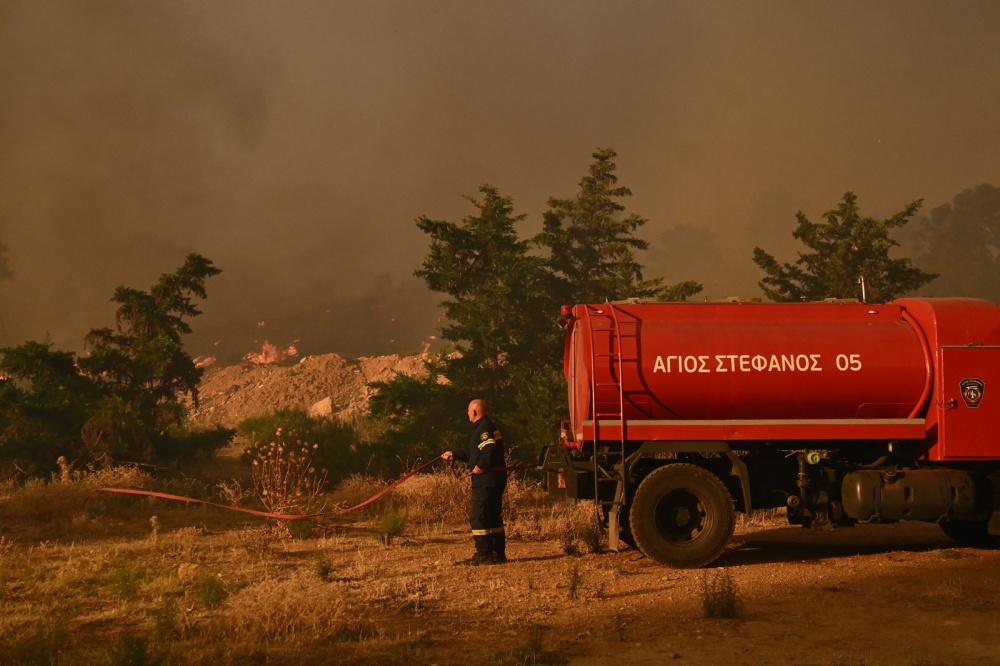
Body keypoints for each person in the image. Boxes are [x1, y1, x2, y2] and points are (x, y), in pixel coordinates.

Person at [441, 399, 507, 565]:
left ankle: (484, 555)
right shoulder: (487, 426)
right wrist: (455, 454)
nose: (467, 413)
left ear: (475, 412)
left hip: (485, 480)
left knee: (479, 517)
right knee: (492, 518)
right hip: (493, 480)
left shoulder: (483, 428)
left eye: (468, 410)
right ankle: (497, 554)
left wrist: (481, 466)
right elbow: (475, 454)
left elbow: (489, 449)